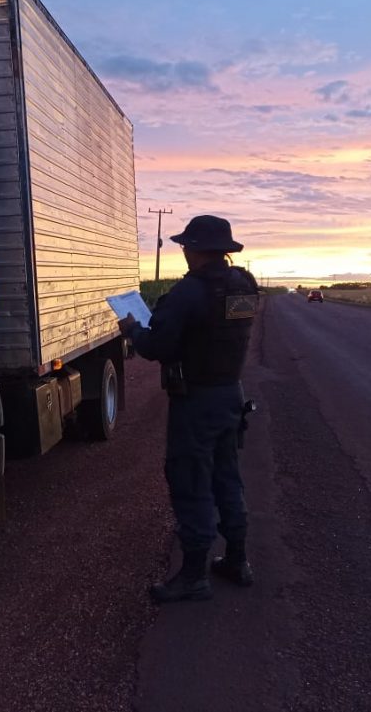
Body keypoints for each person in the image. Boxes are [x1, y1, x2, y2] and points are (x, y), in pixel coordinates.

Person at [118, 215, 259, 603]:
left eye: (185, 246)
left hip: (196, 402)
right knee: (227, 477)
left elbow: (156, 347)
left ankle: (194, 576)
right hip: (231, 395)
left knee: (192, 482)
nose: (183, 252)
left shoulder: (189, 293)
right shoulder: (243, 285)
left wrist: (132, 330)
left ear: (196, 250)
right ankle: (238, 560)